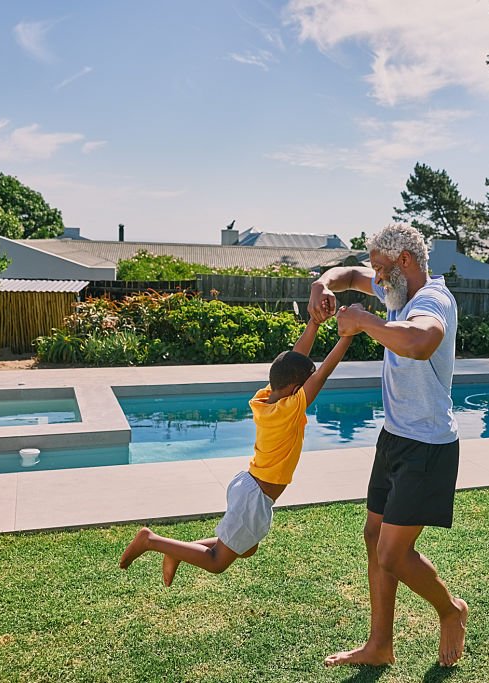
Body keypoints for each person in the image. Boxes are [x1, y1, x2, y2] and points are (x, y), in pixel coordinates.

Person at [309, 223, 468, 668]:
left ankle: (450, 610)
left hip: (427, 445)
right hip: (394, 437)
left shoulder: (431, 301)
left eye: (381, 269)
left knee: (393, 553)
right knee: (374, 535)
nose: (375, 279)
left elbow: (420, 342)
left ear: (405, 262)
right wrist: (322, 284)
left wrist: (364, 322)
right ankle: (380, 646)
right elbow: (347, 277)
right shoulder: (395, 292)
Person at [119, 317, 352, 585]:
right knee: (217, 562)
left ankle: (178, 551)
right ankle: (152, 541)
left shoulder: (265, 399)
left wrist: (313, 323)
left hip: (248, 485)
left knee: (247, 547)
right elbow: (322, 374)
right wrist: (347, 335)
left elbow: (295, 361)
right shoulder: (290, 409)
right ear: (296, 389)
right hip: (255, 494)